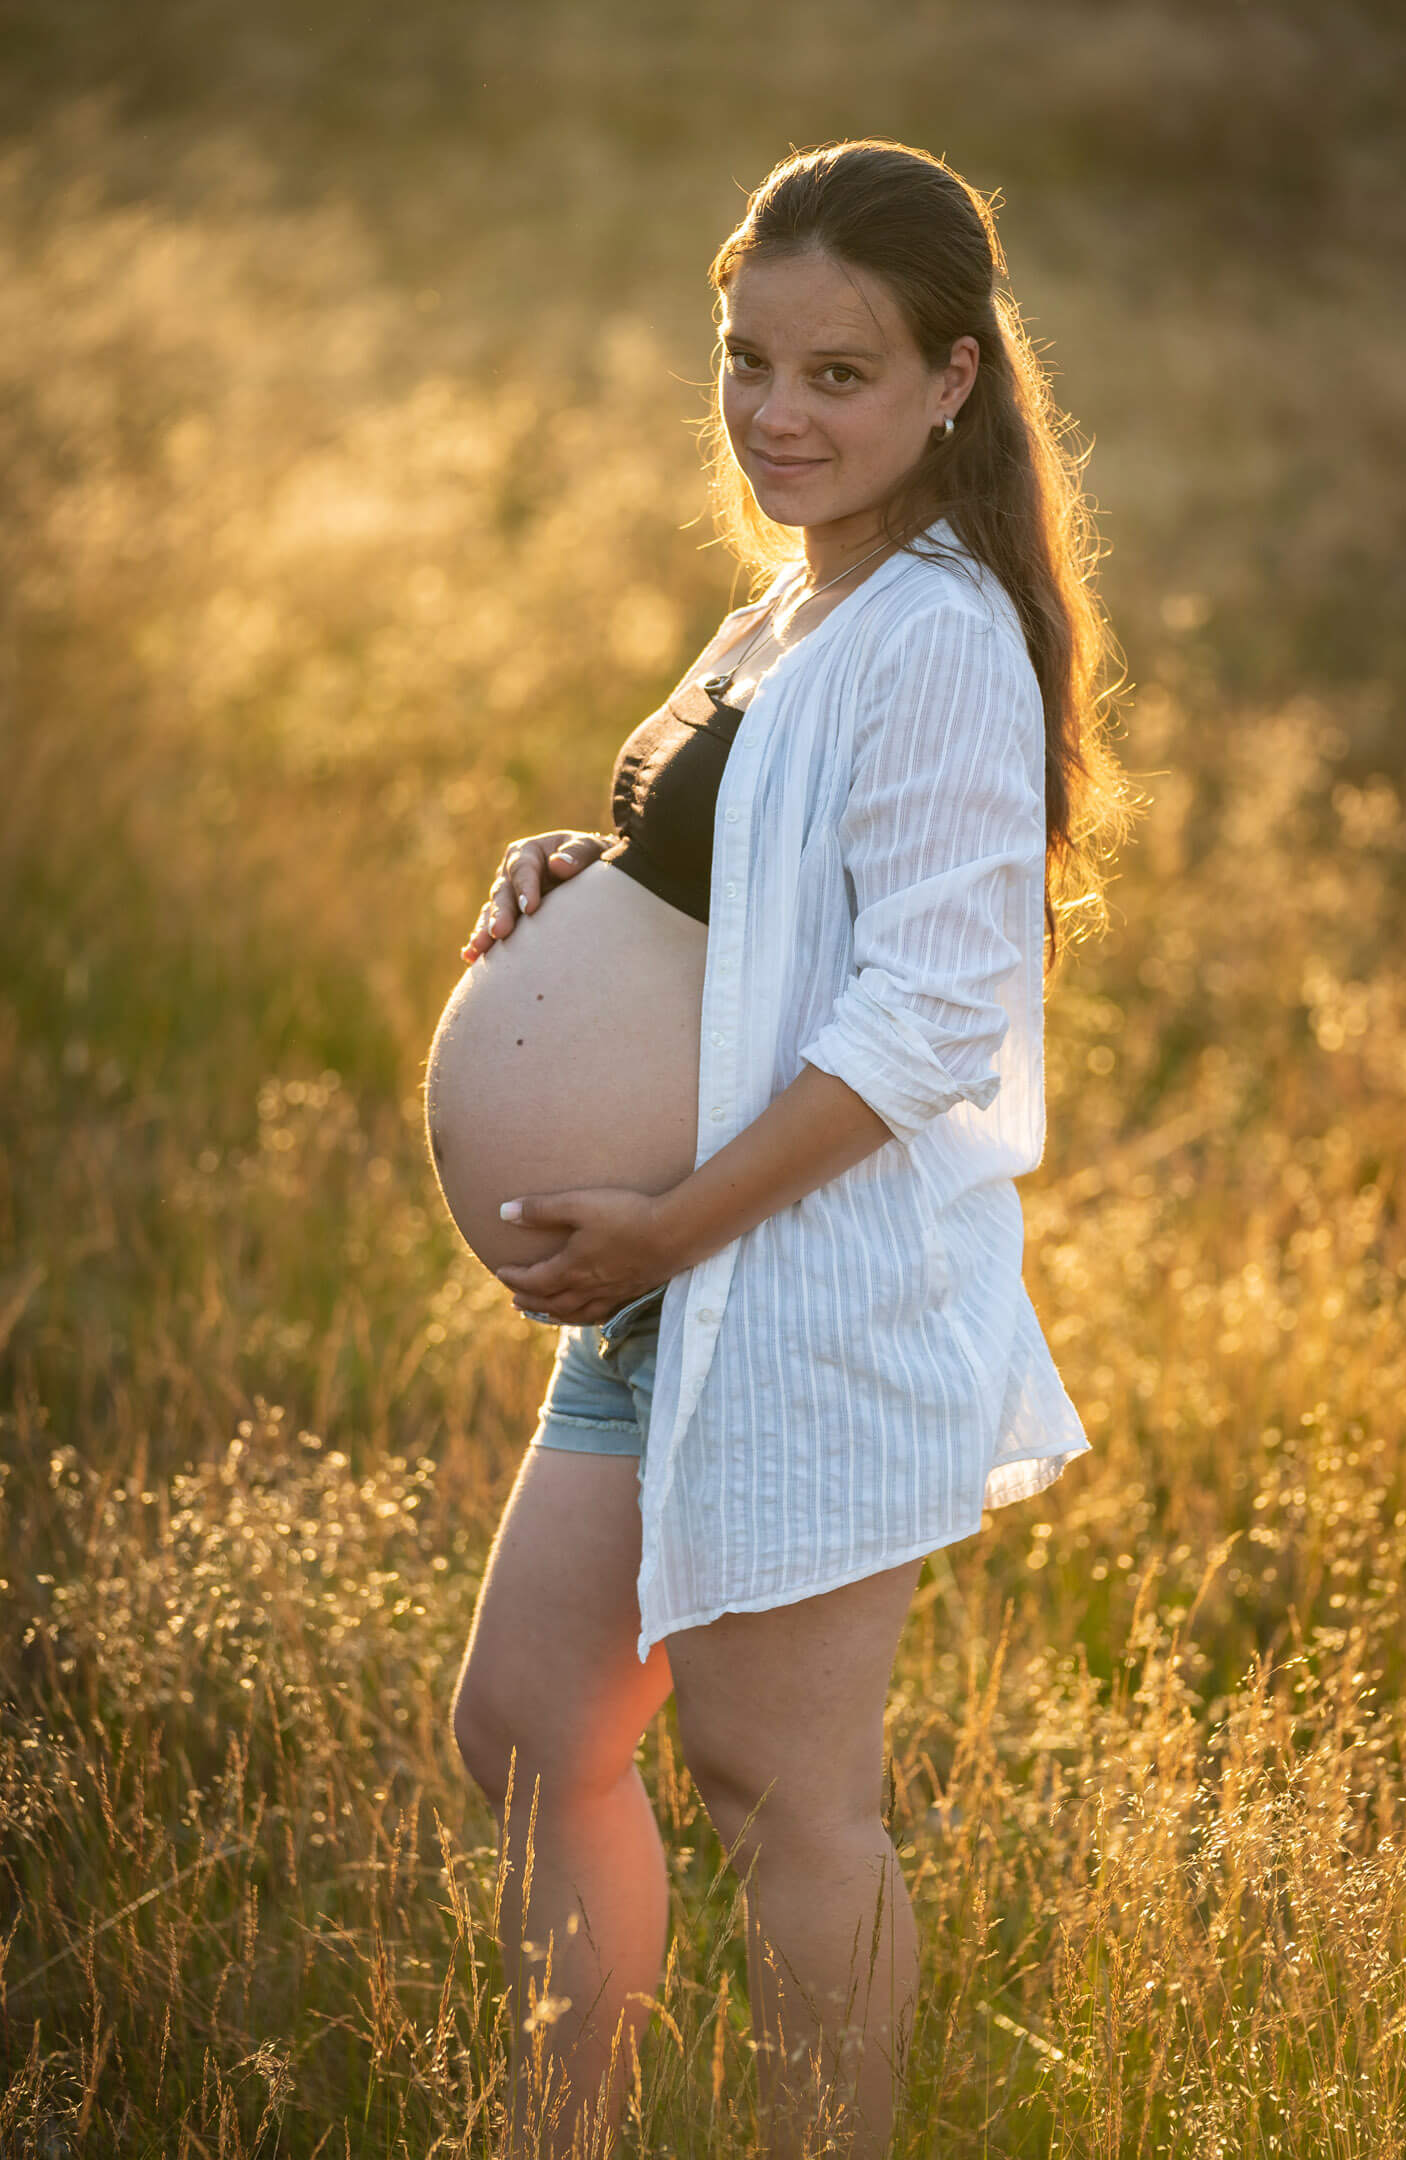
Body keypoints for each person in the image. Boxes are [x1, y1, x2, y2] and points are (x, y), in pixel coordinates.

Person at [449, 138, 1131, 2160]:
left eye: (840, 374)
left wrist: (666, 1230)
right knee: (531, 1733)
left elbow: (927, 1021)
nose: (775, 413)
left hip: (787, 1292)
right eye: (751, 361)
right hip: (663, 1290)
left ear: (952, 380)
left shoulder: (940, 632)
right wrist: (587, 873)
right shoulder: (798, 600)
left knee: (783, 1798)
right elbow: (751, 879)